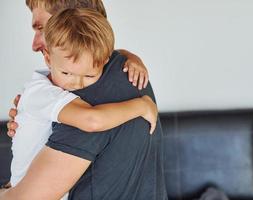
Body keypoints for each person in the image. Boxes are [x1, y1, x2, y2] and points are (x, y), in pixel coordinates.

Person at [0, 8, 167, 199]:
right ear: (48, 58)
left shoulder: (95, 85)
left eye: (88, 76)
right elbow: (92, 119)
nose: (76, 84)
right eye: (66, 74)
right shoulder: (43, 93)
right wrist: (142, 106)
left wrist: (131, 56)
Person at [6, 0, 150, 137]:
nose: (34, 45)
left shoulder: (119, 80)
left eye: (43, 29)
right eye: (66, 73)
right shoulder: (47, 87)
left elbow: (92, 120)